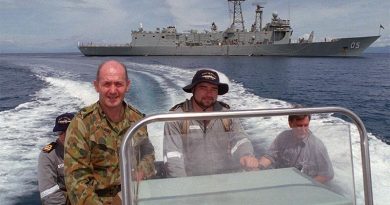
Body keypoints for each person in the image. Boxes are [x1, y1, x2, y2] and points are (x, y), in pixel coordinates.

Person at [64, 60, 156, 204]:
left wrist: (141, 170)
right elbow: (76, 181)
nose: (113, 90)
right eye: (107, 84)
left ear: (127, 86)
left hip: (131, 194)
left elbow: (148, 153)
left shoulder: (137, 120)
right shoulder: (82, 123)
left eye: (118, 84)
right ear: (96, 86)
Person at [163, 69, 258, 177]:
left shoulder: (226, 115)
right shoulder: (176, 117)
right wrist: (185, 186)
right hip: (190, 181)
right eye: (203, 88)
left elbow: (240, 139)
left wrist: (246, 155)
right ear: (193, 89)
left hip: (225, 179)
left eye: (214, 89)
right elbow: (173, 157)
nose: (209, 93)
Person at [258, 112, 334, 183]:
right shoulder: (283, 137)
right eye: (299, 126)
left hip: (306, 187)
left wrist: (304, 185)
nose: (303, 130)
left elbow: (327, 175)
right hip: (282, 182)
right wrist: (258, 168)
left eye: (306, 125)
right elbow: (270, 156)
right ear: (290, 124)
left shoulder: (317, 145)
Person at [38, 112, 74, 205]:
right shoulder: (48, 155)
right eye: (60, 132)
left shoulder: (87, 148)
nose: (64, 136)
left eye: (68, 130)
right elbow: (49, 194)